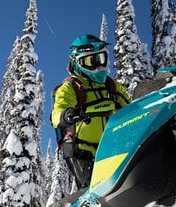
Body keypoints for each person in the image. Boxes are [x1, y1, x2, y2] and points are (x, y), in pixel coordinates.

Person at [51, 34, 131, 189]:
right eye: (90, 62)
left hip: (110, 148)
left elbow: (130, 107)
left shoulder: (112, 86)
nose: (98, 67)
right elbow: (57, 112)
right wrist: (66, 115)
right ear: (77, 63)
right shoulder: (70, 88)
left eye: (101, 60)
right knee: (95, 190)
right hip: (82, 152)